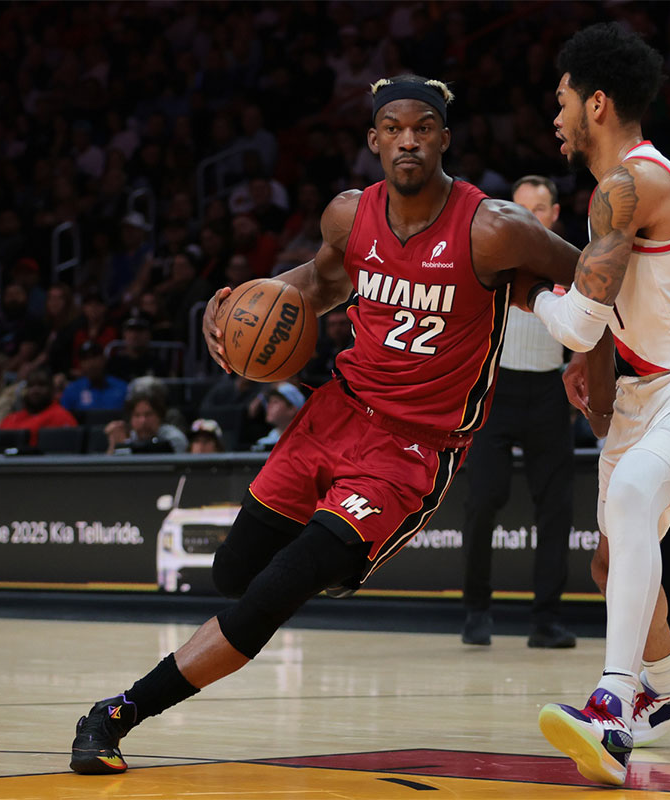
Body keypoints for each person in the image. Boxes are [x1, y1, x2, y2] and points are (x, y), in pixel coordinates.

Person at [70, 74, 580, 776]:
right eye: (394, 127)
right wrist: (244, 310)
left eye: (424, 126)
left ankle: (116, 714)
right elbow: (321, 282)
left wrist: (593, 365)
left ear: (444, 138)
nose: (408, 138)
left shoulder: (493, 227)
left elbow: (593, 281)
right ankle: (338, 558)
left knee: (276, 592)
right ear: (373, 140)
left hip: (412, 448)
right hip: (335, 411)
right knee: (235, 573)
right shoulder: (348, 215)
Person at [514, 25, 670, 786]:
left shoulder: (630, 184)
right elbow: (606, 321)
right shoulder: (613, 192)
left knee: (628, 498)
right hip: (643, 385)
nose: (553, 115)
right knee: (609, 559)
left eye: (560, 99)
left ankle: (611, 708)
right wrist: (602, 355)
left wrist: (525, 289)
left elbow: (579, 321)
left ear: (595, 103)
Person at [462, 175, 576, 650]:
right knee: (482, 499)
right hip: (496, 386)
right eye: (522, 206)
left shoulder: (572, 262)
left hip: (550, 387)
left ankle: (546, 619)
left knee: (556, 506)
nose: (531, 213)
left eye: (541, 206)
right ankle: (476, 611)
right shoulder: (491, 257)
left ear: (554, 214)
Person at [0, 367, 77, 448]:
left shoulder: (62, 416)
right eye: (31, 386)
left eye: (41, 385)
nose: (35, 390)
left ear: (52, 389)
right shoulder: (12, 418)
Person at [104, 391, 188, 455]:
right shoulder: (129, 438)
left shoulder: (174, 438)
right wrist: (115, 445)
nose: (143, 421)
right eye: (137, 415)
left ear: (159, 416)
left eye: (148, 414)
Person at [61, 342, 128, 414]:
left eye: (94, 357)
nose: (91, 363)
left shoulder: (122, 388)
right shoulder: (72, 390)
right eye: (85, 359)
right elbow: (65, 421)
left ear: (104, 359)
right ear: (81, 364)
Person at [251, 382, 305, 451]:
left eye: (275, 402)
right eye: (269, 402)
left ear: (292, 409)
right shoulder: (263, 443)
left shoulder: (306, 442)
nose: (268, 406)